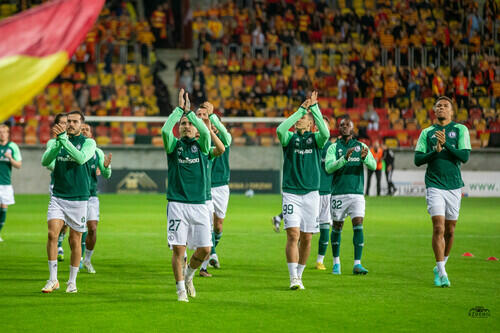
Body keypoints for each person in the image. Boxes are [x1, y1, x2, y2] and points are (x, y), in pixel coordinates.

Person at [414, 96, 471, 287]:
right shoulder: (427, 133)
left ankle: (441, 264)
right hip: (434, 184)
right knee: (438, 227)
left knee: (450, 231)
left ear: (451, 111)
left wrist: (446, 144)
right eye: (438, 106)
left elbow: (464, 157)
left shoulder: (460, 129)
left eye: (445, 106)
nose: (441, 108)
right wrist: (435, 152)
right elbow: (417, 160)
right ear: (434, 110)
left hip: (454, 185)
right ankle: (443, 273)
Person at [162, 89, 212, 302]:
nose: (186, 126)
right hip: (177, 204)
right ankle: (180, 289)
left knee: (205, 250)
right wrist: (179, 111)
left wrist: (190, 113)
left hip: (199, 205)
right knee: (178, 250)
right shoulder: (174, 146)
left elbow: (206, 132)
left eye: (189, 124)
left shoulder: (202, 146)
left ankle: (189, 275)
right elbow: (165, 131)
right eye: (182, 124)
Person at [276, 91, 329, 290]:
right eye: (299, 118)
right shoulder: (289, 138)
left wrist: (313, 108)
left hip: (311, 195)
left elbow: (325, 133)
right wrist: (300, 111)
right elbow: (280, 129)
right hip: (291, 193)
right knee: (293, 235)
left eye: (304, 119)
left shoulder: (316, 139)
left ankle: (299, 275)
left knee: (307, 237)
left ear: (310, 124)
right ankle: (292, 278)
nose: (300, 120)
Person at [41, 110, 96, 293]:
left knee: (75, 240)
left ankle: (72, 281)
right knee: (51, 234)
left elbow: (80, 159)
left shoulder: (88, 143)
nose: (70, 124)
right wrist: (58, 143)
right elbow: (45, 161)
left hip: (79, 199)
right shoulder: (59, 141)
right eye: (68, 121)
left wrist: (63, 140)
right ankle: (53, 279)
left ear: (81, 124)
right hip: (58, 196)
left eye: (74, 121)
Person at [325, 116, 376, 275]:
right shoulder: (334, 147)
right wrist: (344, 159)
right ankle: (336, 263)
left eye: (348, 125)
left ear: (353, 129)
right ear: (339, 129)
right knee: (337, 228)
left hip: (357, 194)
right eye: (342, 125)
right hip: (339, 194)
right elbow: (329, 168)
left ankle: (357, 264)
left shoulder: (361, 147)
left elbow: (373, 165)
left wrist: (365, 159)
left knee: (358, 225)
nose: (345, 127)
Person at [193, 102, 226, 277]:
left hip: (212, 191)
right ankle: (193, 264)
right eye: (197, 115)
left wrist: (210, 127)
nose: (200, 117)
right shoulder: (190, 138)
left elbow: (223, 145)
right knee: (195, 233)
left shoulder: (213, 139)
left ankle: (203, 264)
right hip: (192, 195)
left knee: (214, 228)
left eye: (204, 115)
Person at [79, 123, 112, 274]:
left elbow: (106, 175)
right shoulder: (74, 149)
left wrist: (105, 167)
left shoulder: (97, 152)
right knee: (77, 230)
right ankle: (77, 258)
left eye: (87, 130)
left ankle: (87, 260)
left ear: (91, 135)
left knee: (92, 228)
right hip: (76, 196)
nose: (84, 131)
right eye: (82, 129)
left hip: (91, 196)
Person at [203, 103, 232, 274]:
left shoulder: (224, 138)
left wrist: (212, 121)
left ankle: (210, 250)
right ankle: (211, 254)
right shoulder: (203, 138)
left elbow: (225, 138)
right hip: (207, 185)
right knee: (208, 223)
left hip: (222, 186)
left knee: (218, 226)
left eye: (214, 123)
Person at [45, 113, 68, 260]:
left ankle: (60, 242)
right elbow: (48, 162)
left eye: (67, 123)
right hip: (57, 184)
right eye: (62, 123)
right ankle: (58, 245)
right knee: (57, 220)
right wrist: (62, 168)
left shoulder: (74, 143)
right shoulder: (51, 143)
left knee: (66, 222)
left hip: (73, 187)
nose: (65, 126)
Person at [315, 116, 333, 270]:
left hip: (327, 192)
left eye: (324, 126)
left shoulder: (332, 148)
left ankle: (320, 260)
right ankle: (299, 257)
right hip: (311, 191)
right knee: (302, 228)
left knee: (325, 226)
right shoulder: (313, 143)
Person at [0, 124, 22, 242]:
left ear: (8, 133)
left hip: (6, 184)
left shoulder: (12, 146)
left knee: (4, 208)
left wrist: (10, 158)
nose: (2, 134)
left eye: (4, 132)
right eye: (0, 132)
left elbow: (18, 165)